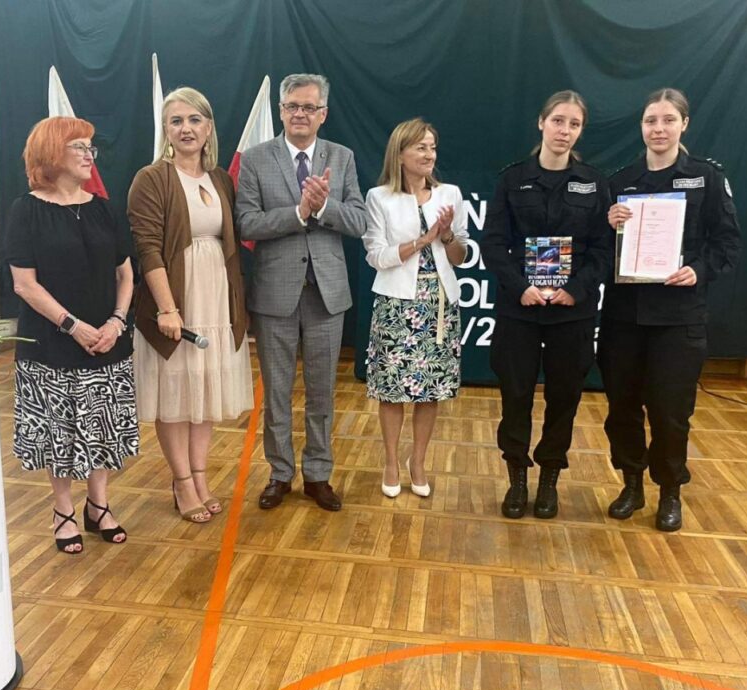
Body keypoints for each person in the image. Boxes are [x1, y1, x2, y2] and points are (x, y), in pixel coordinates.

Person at [600, 88, 741, 532]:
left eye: (667, 120)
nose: (658, 129)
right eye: (650, 121)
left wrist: (698, 270)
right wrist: (608, 225)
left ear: (684, 124)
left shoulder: (706, 177)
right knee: (622, 407)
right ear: (641, 126)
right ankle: (631, 483)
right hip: (624, 317)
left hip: (679, 319)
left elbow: (727, 243)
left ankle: (669, 490)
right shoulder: (620, 182)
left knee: (669, 412)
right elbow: (598, 252)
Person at [4, 116, 137, 553]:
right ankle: (63, 510)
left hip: (107, 340)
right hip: (51, 344)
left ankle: (98, 505)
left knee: (102, 426)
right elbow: (24, 284)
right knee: (58, 432)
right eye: (77, 146)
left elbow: (126, 274)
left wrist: (116, 322)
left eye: (89, 147)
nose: (88, 155)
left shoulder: (104, 208)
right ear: (50, 153)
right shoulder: (26, 210)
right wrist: (72, 325)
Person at [235, 73, 367, 512]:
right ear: (280, 110)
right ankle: (279, 474)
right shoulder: (256, 159)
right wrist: (298, 212)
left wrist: (324, 206)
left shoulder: (342, 158)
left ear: (323, 114)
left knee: (322, 391)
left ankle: (318, 474)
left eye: (309, 107)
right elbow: (247, 223)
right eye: (292, 106)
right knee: (276, 392)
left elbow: (359, 221)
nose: (300, 114)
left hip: (327, 293)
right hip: (275, 294)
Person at [481, 90, 611, 520]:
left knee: (564, 397)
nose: (564, 131)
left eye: (574, 124)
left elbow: (603, 248)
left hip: (572, 311)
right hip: (520, 308)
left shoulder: (595, 182)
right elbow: (494, 244)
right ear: (541, 122)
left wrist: (576, 288)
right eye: (558, 120)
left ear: (580, 131)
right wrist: (520, 286)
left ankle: (550, 478)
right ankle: (517, 476)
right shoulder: (512, 179)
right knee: (515, 395)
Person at [128, 87, 253, 523]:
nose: (186, 129)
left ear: (209, 127)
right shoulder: (152, 178)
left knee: (204, 389)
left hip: (216, 297)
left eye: (194, 120)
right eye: (176, 121)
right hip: (177, 298)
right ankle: (182, 481)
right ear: (165, 129)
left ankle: (200, 476)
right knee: (176, 393)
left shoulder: (220, 179)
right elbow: (148, 249)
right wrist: (167, 308)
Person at [363, 119, 468, 498]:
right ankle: (391, 462)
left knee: (431, 390)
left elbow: (460, 256)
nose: (429, 154)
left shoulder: (450, 194)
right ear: (400, 154)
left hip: (439, 304)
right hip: (395, 305)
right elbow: (376, 256)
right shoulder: (379, 197)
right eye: (421, 147)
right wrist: (423, 240)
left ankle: (418, 461)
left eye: (432, 147)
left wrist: (447, 235)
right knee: (391, 390)